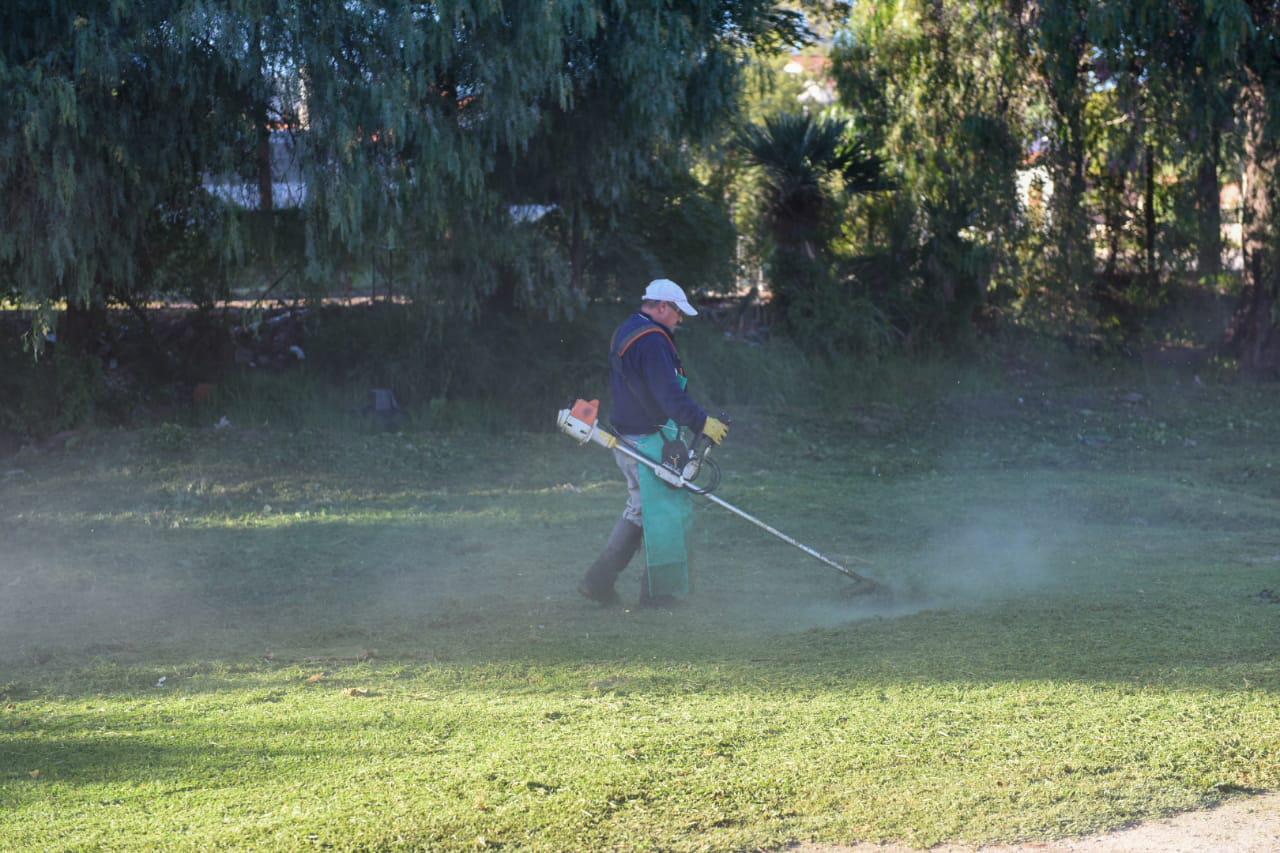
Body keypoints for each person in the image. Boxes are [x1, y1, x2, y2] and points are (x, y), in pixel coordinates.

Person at [576, 279, 729, 606]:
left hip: (628, 436)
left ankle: (598, 581)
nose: (680, 320)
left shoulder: (627, 330)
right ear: (662, 307)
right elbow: (669, 395)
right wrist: (703, 422)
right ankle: (655, 594)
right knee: (665, 513)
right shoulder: (654, 342)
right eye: (677, 313)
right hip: (648, 440)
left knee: (640, 510)